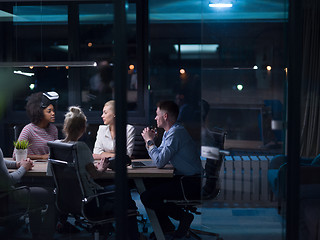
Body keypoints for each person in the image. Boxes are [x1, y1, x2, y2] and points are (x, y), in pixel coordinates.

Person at [58, 106, 141, 240]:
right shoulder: (82, 148)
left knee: (120, 195)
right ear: (83, 129)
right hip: (90, 201)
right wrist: (101, 168)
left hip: (67, 201)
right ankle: (133, 236)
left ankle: (107, 230)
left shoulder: (56, 146)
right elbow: (95, 175)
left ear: (65, 127)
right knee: (124, 192)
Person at [141, 100, 203, 238]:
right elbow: (160, 157)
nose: (155, 118)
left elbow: (159, 162)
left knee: (147, 196)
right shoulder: (170, 132)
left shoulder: (175, 134)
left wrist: (149, 141)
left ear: (166, 116)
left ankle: (183, 217)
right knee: (147, 184)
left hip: (191, 183)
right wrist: (151, 142)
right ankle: (166, 227)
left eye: (157, 115)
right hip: (185, 179)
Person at [0, 148, 56, 240]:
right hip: (5, 199)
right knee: (53, 195)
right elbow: (8, 181)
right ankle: (42, 237)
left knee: (35, 192)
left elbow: (1, 161)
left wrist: (17, 164)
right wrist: (23, 168)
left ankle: (36, 234)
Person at [14, 91, 59, 160]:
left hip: (48, 167)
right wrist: (41, 157)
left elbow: (55, 152)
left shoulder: (53, 129)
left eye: (53, 110)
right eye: (49, 111)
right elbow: (15, 155)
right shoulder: (28, 129)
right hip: (33, 168)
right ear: (39, 112)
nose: (53, 113)